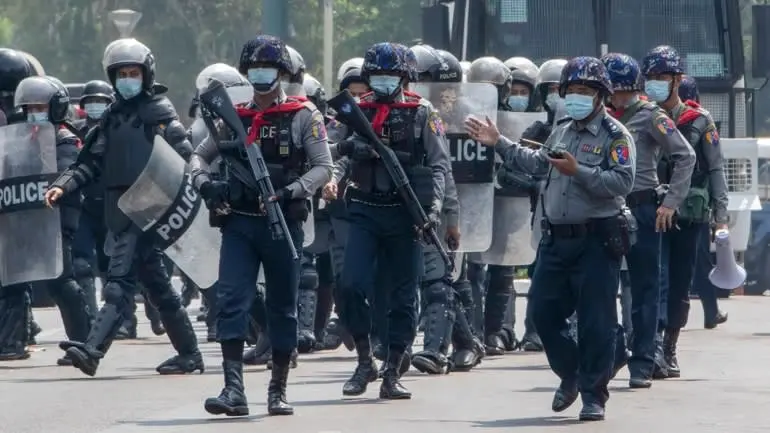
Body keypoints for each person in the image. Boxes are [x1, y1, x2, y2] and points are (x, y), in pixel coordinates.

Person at [466, 56, 635, 421]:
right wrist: (499, 142)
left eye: (584, 91)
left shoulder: (615, 136)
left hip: (597, 238)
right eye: (570, 90)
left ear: (601, 95)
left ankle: (593, 395)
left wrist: (581, 171)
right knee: (543, 313)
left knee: (595, 321)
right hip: (556, 240)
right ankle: (572, 372)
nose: (575, 97)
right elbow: (537, 162)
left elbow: (622, 183)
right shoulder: (562, 129)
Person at [191, 34, 332, 417]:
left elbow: (324, 167)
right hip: (239, 223)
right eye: (253, 68)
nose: (261, 74)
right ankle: (233, 389)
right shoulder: (233, 115)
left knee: (283, 307)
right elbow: (199, 157)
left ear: (283, 72)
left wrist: (291, 191)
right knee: (232, 300)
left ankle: (278, 388)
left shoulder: (304, 115)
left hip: (282, 223)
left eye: (268, 67)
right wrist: (205, 184)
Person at [44, 38, 202, 378]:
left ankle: (92, 350)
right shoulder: (111, 119)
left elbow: (185, 153)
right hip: (118, 210)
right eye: (122, 73)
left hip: (149, 209)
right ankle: (190, 353)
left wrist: (199, 182)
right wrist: (62, 185)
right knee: (157, 286)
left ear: (146, 75)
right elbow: (88, 164)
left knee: (117, 282)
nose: (128, 78)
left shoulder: (158, 111)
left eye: (134, 72)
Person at [336, 42, 450, 399]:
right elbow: (333, 152)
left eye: (392, 75)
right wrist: (341, 164)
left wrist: (432, 213)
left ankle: (392, 370)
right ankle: (364, 360)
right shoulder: (355, 109)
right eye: (378, 74)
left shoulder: (421, 112)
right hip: (365, 209)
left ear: (405, 77)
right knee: (350, 284)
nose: (385, 81)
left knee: (404, 296)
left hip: (406, 215)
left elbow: (438, 165)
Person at [602, 52, 695, 388]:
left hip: (642, 208)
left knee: (645, 287)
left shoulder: (651, 116)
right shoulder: (598, 118)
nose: (620, 97)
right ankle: (612, 351)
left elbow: (685, 156)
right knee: (598, 286)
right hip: (604, 209)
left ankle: (643, 360)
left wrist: (670, 203)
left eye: (627, 90)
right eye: (614, 91)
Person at [642, 46, 729, 378]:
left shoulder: (700, 122)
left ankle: (669, 347)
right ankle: (650, 347)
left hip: (688, 216)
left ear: (677, 80)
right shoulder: (642, 117)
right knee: (653, 281)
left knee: (679, 283)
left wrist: (721, 217)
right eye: (650, 78)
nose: (655, 84)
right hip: (649, 212)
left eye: (662, 78)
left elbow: (717, 170)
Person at [408, 43, 483, 374]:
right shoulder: (403, 111)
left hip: (443, 208)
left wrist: (451, 216)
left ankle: (436, 350)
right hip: (404, 207)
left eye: (420, 78)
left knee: (440, 281)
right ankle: (468, 343)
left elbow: (446, 173)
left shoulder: (456, 116)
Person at [12, 76, 94, 366]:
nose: (33, 111)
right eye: (29, 107)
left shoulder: (65, 138)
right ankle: (14, 338)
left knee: (62, 280)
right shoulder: (20, 138)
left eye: (40, 106)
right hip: (28, 219)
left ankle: (84, 342)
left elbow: (65, 171)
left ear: (55, 108)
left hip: (59, 217)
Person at [678, 74, 729, 328]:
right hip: (693, 206)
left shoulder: (655, 117)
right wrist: (721, 215)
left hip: (661, 202)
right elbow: (715, 167)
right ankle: (711, 312)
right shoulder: (702, 120)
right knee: (699, 261)